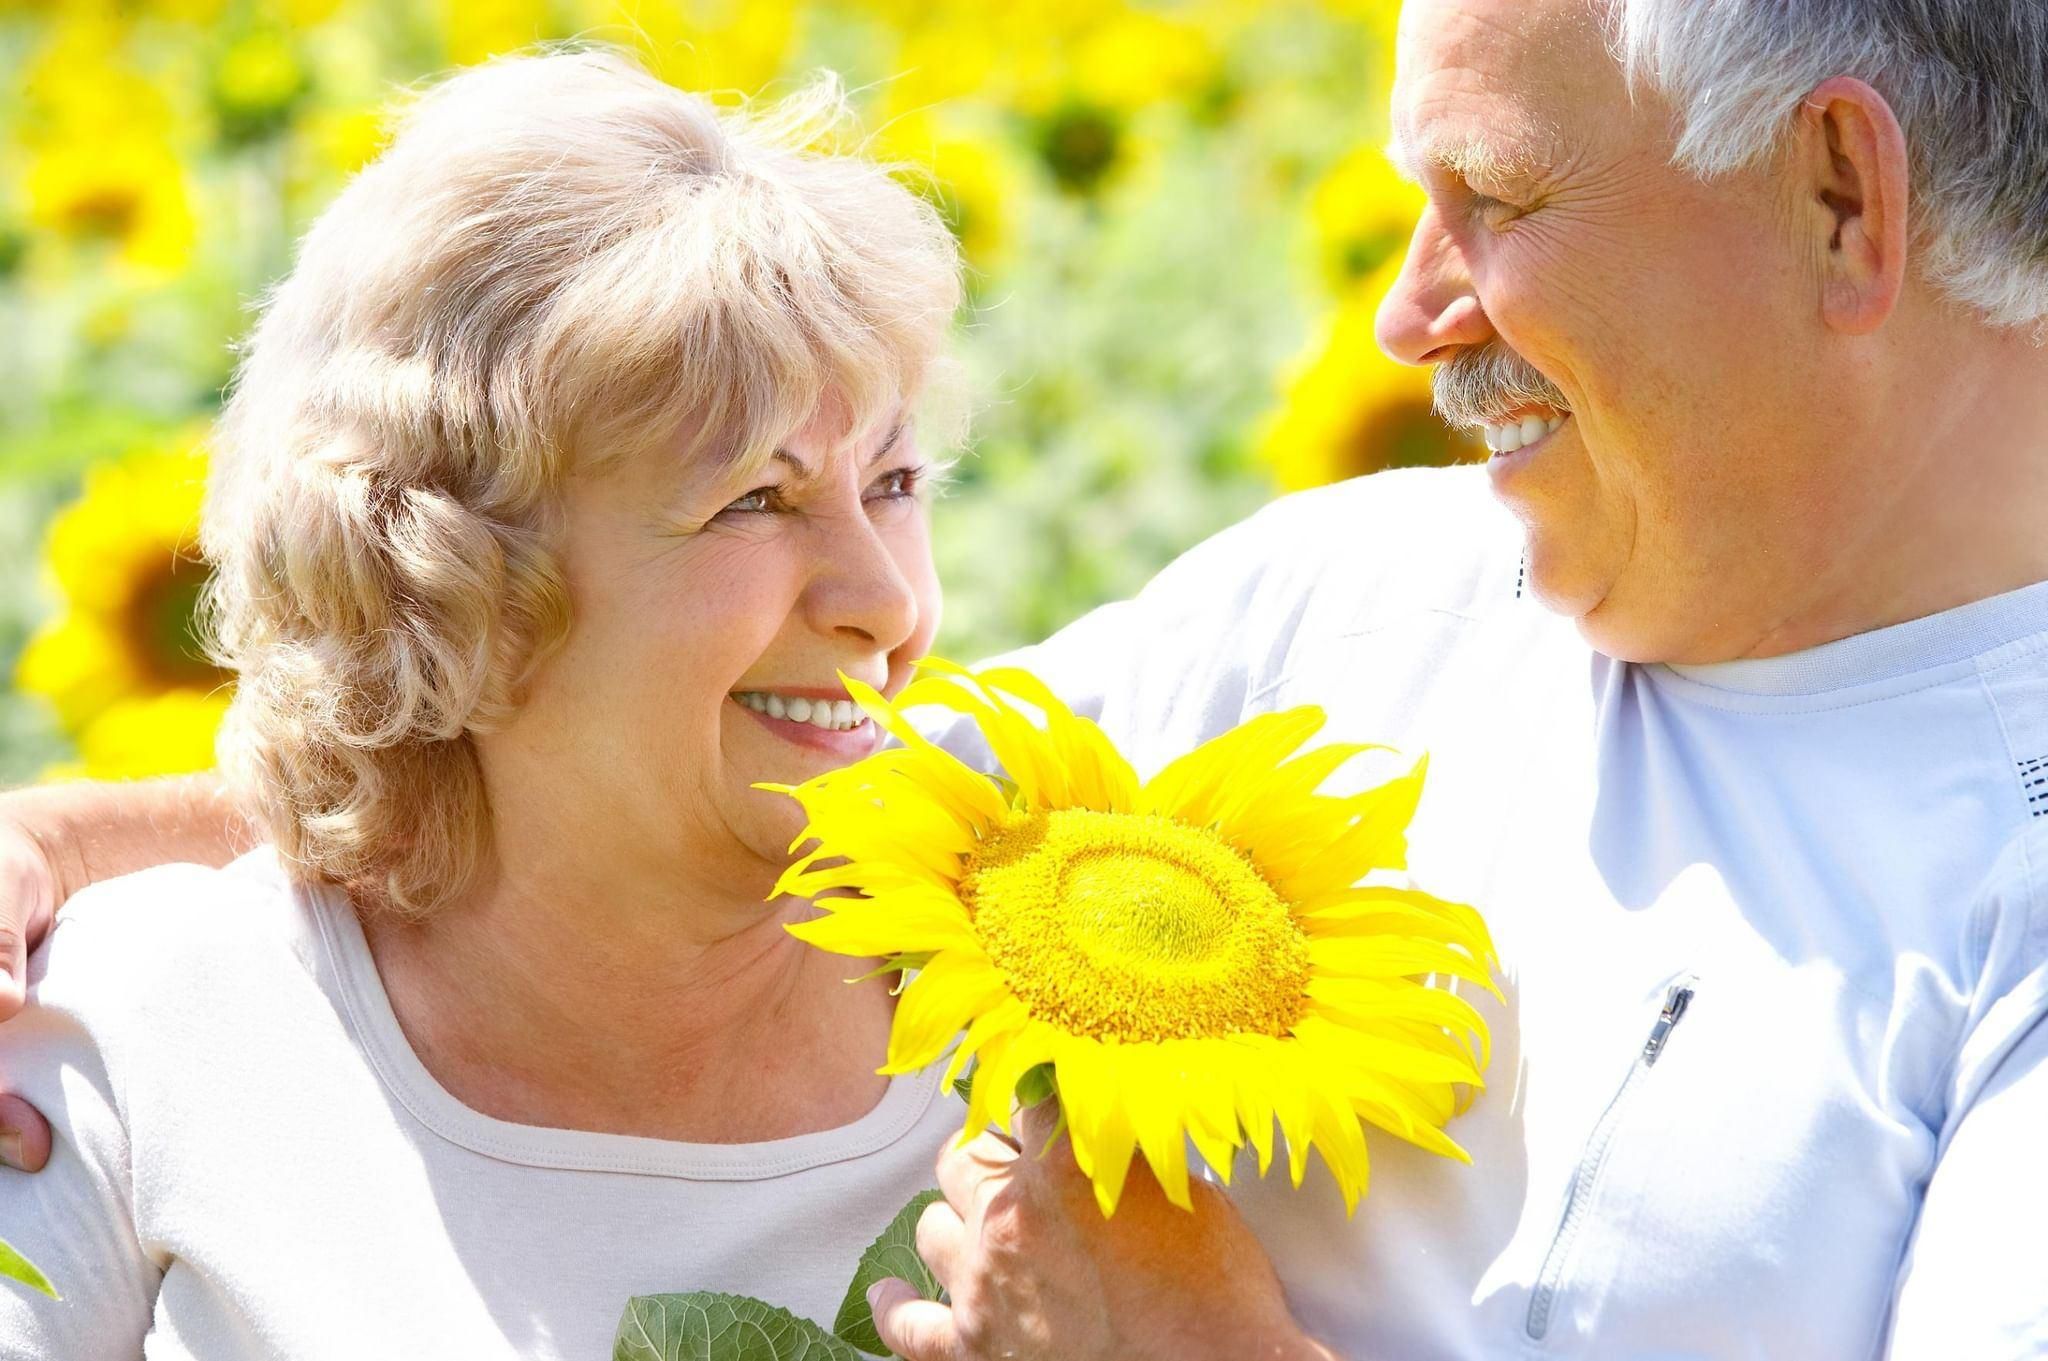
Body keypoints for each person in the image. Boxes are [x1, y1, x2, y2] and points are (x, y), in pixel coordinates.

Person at [7, 0, 2048, 1356]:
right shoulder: (1367, 598)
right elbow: (710, 743)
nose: (1410, 313)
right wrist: (88, 839)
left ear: (1838, 199)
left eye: (1492, 203)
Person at [0, 44, 1338, 1360]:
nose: (886, 603)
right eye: (754, 496)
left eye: (895, 481)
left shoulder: (1081, 992)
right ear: (453, 577)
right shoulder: (144, 1021)